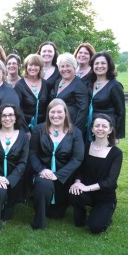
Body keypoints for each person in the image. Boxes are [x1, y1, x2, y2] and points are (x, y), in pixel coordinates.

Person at [29, 98, 84, 230]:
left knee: (56, 214)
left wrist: (58, 175)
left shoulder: (75, 132)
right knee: (43, 183)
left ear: (65, 113)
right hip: (43, 174)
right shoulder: (39, 130)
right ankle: (39, 221)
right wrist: (42, 170)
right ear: (48, 114)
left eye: (59, 112)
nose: (55, 115)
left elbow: (77, 158)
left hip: (64, 177)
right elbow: (32, 153)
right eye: (52, 112)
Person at [69, 114, 122, 234]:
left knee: (95, 227)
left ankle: (105, 213)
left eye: (104, 126)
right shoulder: (86, 147)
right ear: (92, 129)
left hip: (104, 197)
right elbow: (79, 171)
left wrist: (86, 188)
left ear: (110, 130)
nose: (100, 129)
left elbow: (109, 182)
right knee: (74, 192)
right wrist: (77, 183)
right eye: (97, 126)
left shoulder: (116, 153)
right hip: (86, 193)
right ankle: (81, 214)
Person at [0, 104, 29, 230]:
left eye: (11, 115)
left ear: (16, 118)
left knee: (6, 215)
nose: (7, 118)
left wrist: (9, 179)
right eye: (4, 115)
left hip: (14, 181)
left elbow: (23, 163)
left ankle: (2, 202)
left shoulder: (23, 137)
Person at [85, 51, 125, 143]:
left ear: (109, 65)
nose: (99, 66)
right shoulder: (89, 83)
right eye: (96, 63)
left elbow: (121, 112)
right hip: (89, 127)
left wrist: (117, 136)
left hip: (105, 129)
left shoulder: (115, 85)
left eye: (103, 63)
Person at [49, 53, 89, 133]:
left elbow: (83, 110)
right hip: (56, 123)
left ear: (74, 67)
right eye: (62, 66)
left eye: (68, 66)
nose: (65, 69)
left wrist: (76, 131)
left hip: (71, 125)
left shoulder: (79, 85)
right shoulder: (58, 82)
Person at [14, 54, 49, 134]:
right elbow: (18, 109)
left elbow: (47, 107)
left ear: (40, 67)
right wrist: (26, 130)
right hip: (24, 128)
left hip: (43, 128)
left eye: (36, 65)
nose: (33, 68)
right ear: (26, 67)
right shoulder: (19, 85)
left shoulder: (46, 84)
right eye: (30, 65)